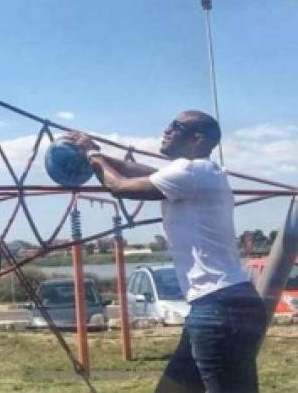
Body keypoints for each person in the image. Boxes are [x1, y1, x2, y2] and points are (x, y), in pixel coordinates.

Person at [69, 110, 266, 393]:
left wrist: (92, 154)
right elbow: (144, 172)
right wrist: (97, 153)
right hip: (227, 302)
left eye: (176, 127)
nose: (166, 130)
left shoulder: (189, 172)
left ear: (197, 138)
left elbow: (118, 185)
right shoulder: (207, 171)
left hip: (219, 307)